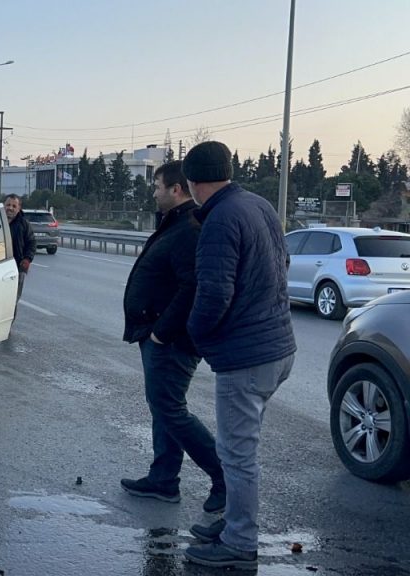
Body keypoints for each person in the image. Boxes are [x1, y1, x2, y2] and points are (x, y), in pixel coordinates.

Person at [181, 141, 297, 571]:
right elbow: (280, 262)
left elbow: (214, 293)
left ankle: (239, 541)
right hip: (279, 347)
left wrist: (193, 333)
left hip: (248, 358)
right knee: (241, 447)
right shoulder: (258, 205)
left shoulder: (219, 220)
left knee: (237, 453)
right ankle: (232, 523)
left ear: (193, 183)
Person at [120, 161, 226, 514]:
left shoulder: (189, 228)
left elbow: (192, 285)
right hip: (158, 335)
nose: (154, 192)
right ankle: (163, 478)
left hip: (172, 340)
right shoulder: (177, 224)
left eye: (157, 187)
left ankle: (224, 476)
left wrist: (161, 332)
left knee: (170, 408)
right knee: (162, 406)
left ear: (176, 190)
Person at [4, 194, 36, 305]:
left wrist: (27, 259)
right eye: (8, 205)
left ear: (19, 208)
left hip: (17, 267)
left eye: (14, 206)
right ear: (4, 206)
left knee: (12, 301)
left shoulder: (24, 224)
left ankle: (10, 321)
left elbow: (31, 242)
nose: (10, 208)